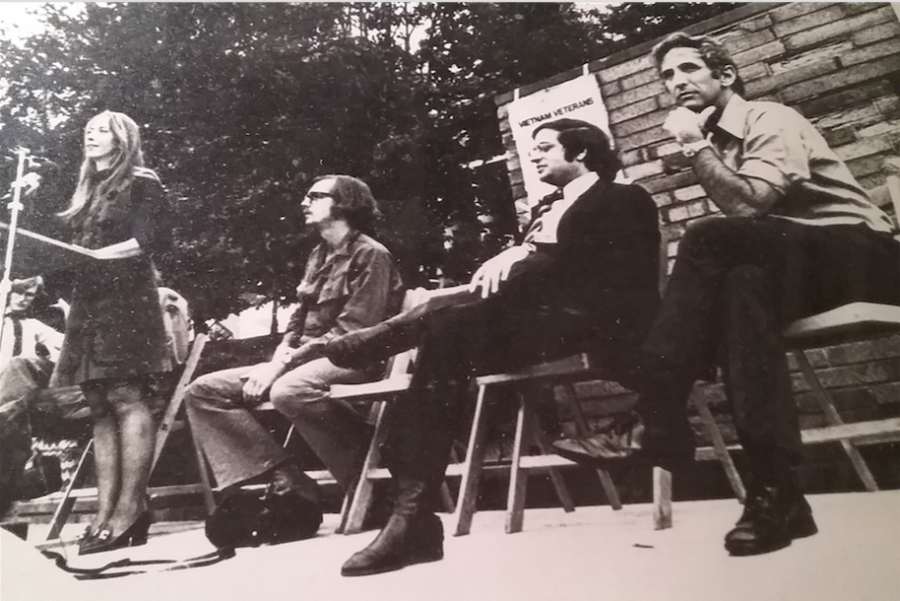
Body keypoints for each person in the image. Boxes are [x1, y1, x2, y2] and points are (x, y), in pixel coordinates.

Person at [556, 33, 900, 557]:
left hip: (867, 257)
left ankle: (655, 416)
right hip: (802, 267)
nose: (677, 83)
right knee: (740, 290)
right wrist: (703, 147)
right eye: (668, 77)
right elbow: (759, 232)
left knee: (708, 234)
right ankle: (777, 493)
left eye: (689, 69)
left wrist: (693, 146)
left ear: (726, 76)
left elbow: (748, 209)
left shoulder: (769, 119)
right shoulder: (719, 141)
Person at [324, 118, 661, 576]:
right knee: (443, 338)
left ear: (581, 152)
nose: (535, 155)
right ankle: (412, 520)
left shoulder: (624, 198)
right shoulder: (547, 207)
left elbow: (620, 278)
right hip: (532, 326)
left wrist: (528, 252)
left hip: (590, 323)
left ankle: (412, 518)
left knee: (445, 317)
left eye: (545, 147)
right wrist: (522, 253)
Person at [184, 174, 404, 535]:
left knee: (290, 390)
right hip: (303, 363)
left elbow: (350, 335)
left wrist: (280, 367)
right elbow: (297, 325)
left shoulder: (371, 255)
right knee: (204, 391)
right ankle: (289, 480)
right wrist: (277, 360)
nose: (304, 202)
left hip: (355, 361)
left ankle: (372, 490)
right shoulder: (318, 255)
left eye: (315, 196)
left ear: (345, 204)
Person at [50, 110, 176, 555]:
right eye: (87, 129)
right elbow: (73, 252)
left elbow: (149, 241)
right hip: (89, 305)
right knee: (99, 405)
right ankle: (105, 514)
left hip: (127, 302)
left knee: (127, 398)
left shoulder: (143, 181)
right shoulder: (87, 190)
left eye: (102, 129)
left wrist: (98, 258)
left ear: (123, 139)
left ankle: (130, 510)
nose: (91, 134)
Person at [0, 277, 65, 514]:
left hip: (16, 393)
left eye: (29, 295)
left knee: (19, 365)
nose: (22, 299)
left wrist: (69, 313)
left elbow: (65, 345)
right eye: (17, 293)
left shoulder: (34, 326)